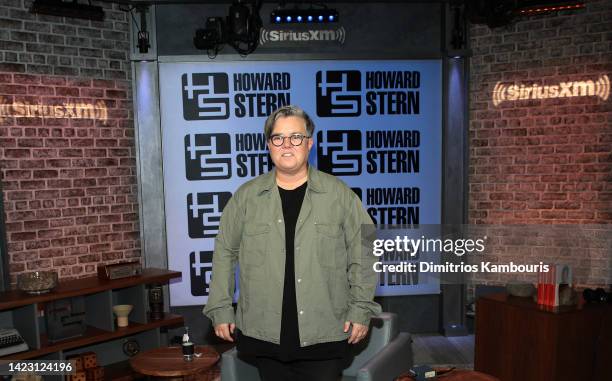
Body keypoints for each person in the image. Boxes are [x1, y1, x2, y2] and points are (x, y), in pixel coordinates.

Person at [203, 105, 381, 381]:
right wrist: (221, 307)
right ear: (268, 145)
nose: (287, 145)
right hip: (265, 336)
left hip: (326, 333)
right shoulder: (246, 198)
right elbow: (225, 252)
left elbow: (366, 251)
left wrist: (360, 309)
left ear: (309, 143)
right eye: (278, 138)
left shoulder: (340, 195)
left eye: (296, 137)